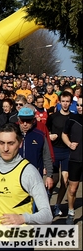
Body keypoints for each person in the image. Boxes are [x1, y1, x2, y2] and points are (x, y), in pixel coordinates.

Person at [46, 91, 73, 217]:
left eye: (67, 101)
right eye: (63, 101)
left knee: (65, 180)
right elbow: (46, 131)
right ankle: (46, 201)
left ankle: (57, 205)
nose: (65, 104)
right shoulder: (53, 117)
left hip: (67, 151)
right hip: (55, 150)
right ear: (59, 102)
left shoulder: (73, 118)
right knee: (54, 180)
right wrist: (50, 136)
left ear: (70, 102)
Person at [61, 96, 82, 225]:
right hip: (75, 159)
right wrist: (69, 144)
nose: (80, 107)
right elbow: (64, 134)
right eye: (78, 105)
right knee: (73, 189)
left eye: (82, 105)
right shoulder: (72, 119)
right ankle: (70, 211)